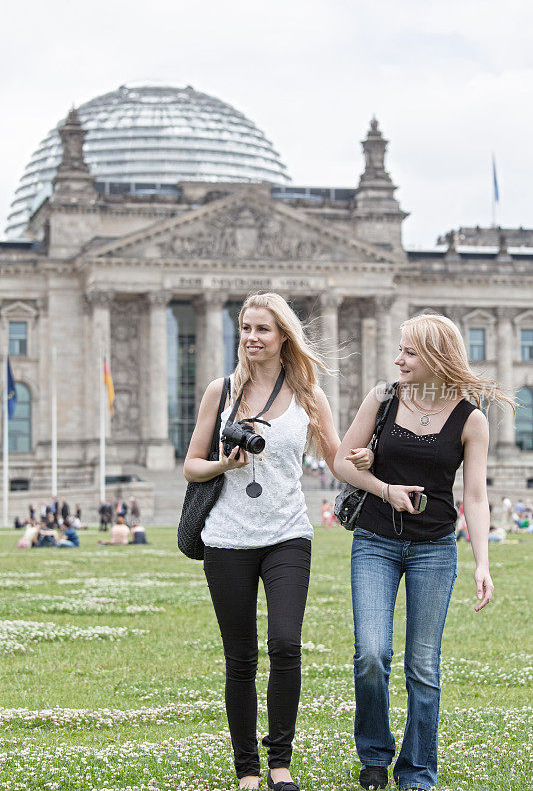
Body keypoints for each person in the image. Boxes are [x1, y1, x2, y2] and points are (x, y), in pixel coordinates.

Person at [184, 291, 372, 791]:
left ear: (283, 335)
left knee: (287, 644)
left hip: (288, 533)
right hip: (226, 538)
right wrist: (225, 463)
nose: (250, 338)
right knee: (240, 657)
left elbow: (336, 460)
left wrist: (370, 464)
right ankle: (247, 769)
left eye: (262, 329)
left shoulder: (309, 392)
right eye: (244, 328)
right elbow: (192, 465)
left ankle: (280, 764)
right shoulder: (219, 391)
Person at [334, 312, 513, 791]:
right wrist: (380, 483)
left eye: (409, 352)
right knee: (371, 654)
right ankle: (374, 754)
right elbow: (340, 462)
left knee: (423, 665)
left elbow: (474, 497)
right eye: (400, 350)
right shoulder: (383, 397)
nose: (399, 359)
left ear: (436, 356)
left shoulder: (471, 419)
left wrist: (482, 562)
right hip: (375, 541)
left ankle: (416, 771)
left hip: (434, 548)